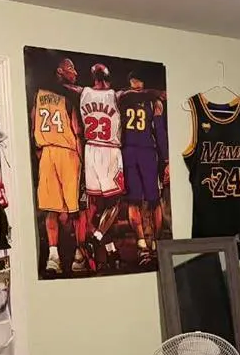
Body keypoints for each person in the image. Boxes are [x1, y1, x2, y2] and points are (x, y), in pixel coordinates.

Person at [60, 63, 165, 270]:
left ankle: (109, 250)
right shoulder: (117, 96)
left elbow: (64, 87)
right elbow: (140, 94)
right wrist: (159, 93)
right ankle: (97, 239)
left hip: (90, 150)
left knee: (96, 207)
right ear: (108, 76)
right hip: (110, 151)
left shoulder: (82, 92)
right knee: (115, 203)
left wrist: (60, 77)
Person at [32, 58, 91, 274]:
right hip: (68, 153)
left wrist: (40, 152)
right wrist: (83, 164)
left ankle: (53, 257)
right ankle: (78, 256)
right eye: (71, 69)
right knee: (76, 210)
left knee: (52, 210)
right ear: (60, 71)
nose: (75, 73)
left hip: (47, 152)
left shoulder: (38, 95)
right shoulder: (69, 97)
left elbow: (33, 125)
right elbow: (77, 131)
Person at [121, 71, 166, 267]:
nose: (136, 83)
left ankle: (150, 244)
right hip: (139, 151)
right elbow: (160, 131)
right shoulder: (145, 99)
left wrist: (166, 160)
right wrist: (165, 158)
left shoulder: (124, 98)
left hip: (138, 151)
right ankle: (146, 244)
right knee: (139, 200)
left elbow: (160, 130)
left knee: (150, 200)